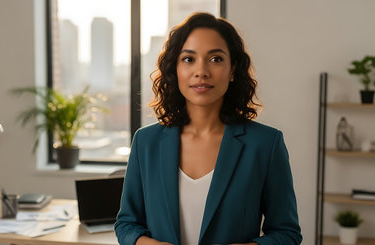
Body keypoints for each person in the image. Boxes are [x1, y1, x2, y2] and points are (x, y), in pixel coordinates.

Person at [114, 12, 302, 245]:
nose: (201, 71)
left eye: (215, 59)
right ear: (176, 69)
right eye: (188, 59)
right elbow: (126, 224)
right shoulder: (146, 142)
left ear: (233, 69)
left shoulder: (265, 144)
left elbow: (287, 233)